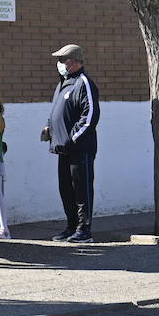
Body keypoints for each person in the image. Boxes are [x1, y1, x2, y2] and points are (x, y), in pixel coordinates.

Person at [43, 44, 100, 243]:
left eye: (61, 60)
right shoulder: (63, 84)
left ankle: (84, 230)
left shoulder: (84, 83)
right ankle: (71, 226)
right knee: (66, 189)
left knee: (81, 190)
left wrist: (72, 138)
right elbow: (57, 113)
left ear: (72, 61)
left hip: (79, 149)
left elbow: (90, 117)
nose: (58, 64)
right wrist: (50, 128)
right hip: (63, 149)